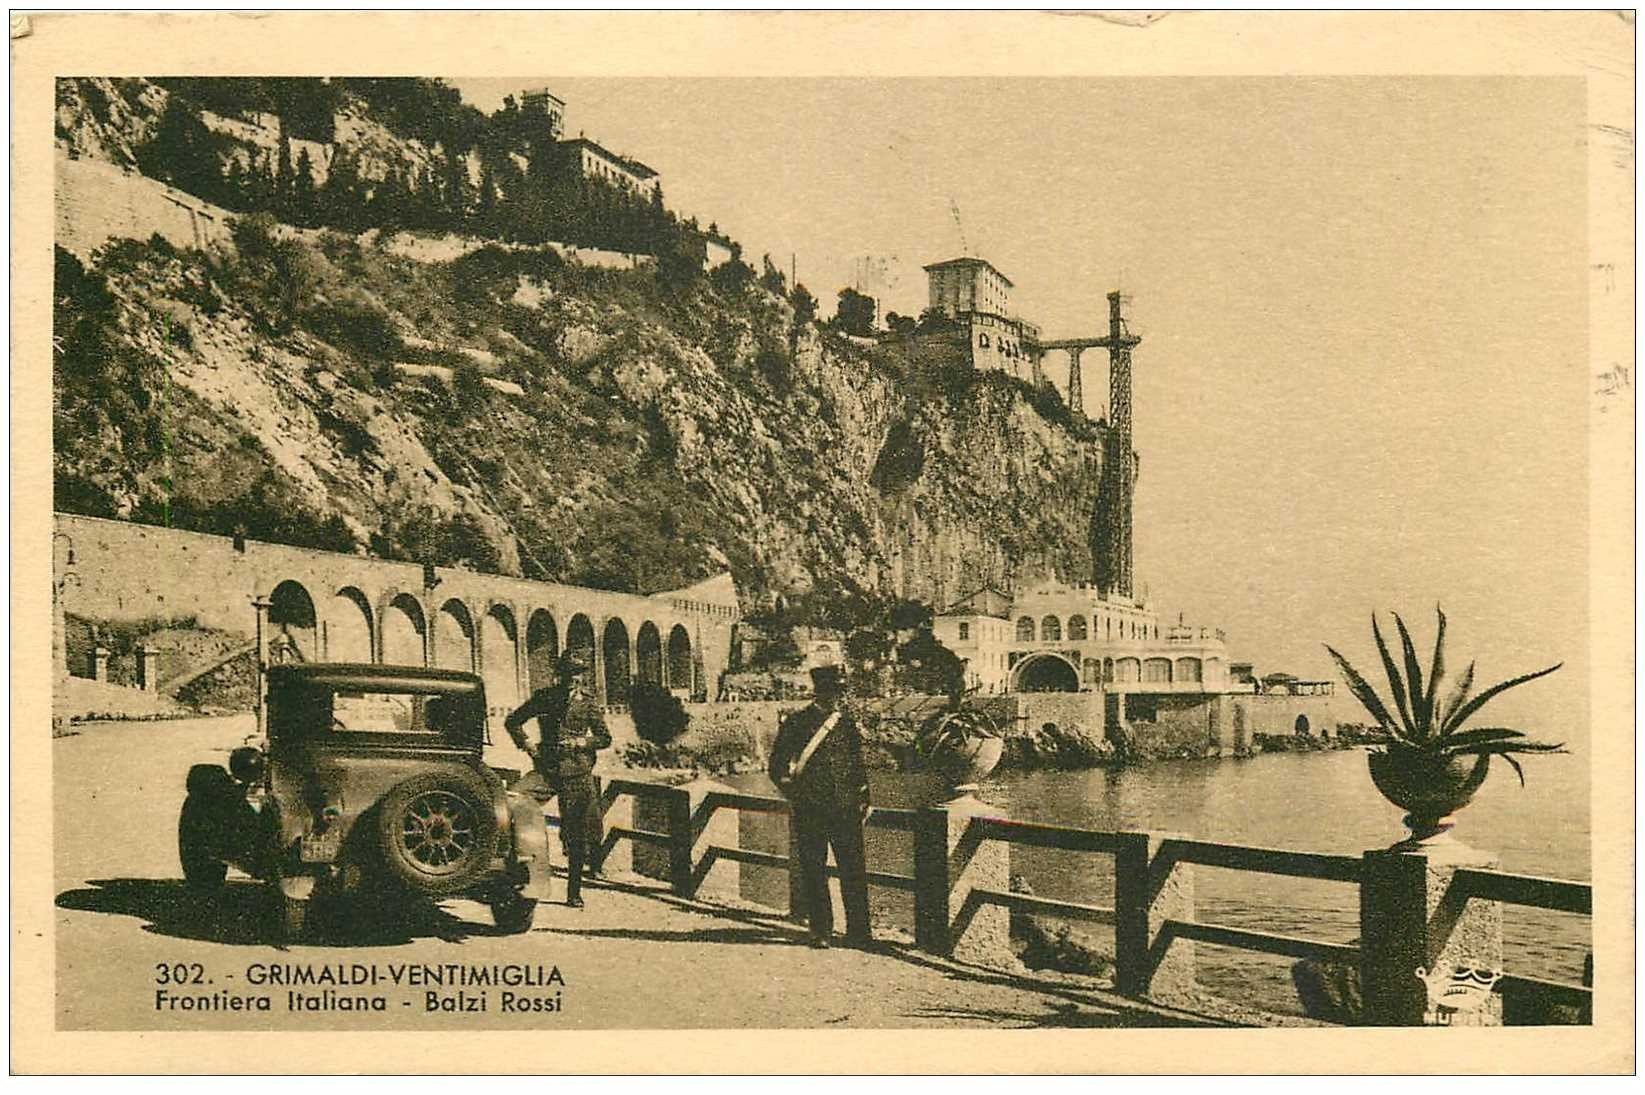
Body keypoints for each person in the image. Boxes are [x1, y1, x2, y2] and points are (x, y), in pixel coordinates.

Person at [767, 664, 872, 948]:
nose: (836, 698)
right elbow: (776, 767)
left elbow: (857, 765)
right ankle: (821, 930)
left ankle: (859, 933)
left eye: (839, 691)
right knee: (814, 869)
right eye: (831, 692)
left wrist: (865, 797)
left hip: (846, 808)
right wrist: (797, 795)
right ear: (819, 692)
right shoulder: (797, 723)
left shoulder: (846, 723)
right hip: (811, 809)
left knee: (854, 870)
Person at [504, 648, 611, 908]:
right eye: (568, 674)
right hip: (547, 770)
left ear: (582, 678)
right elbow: (513, 721)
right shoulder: (544, 698)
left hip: (577, 772)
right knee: (512, 801)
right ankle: (513, 874)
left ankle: (574, 892)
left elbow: (605, 738)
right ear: (559, 675)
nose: (572, 680)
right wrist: (528, 745)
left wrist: (581, 742)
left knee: (576, 832)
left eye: (577, 675)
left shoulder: (588, 703)